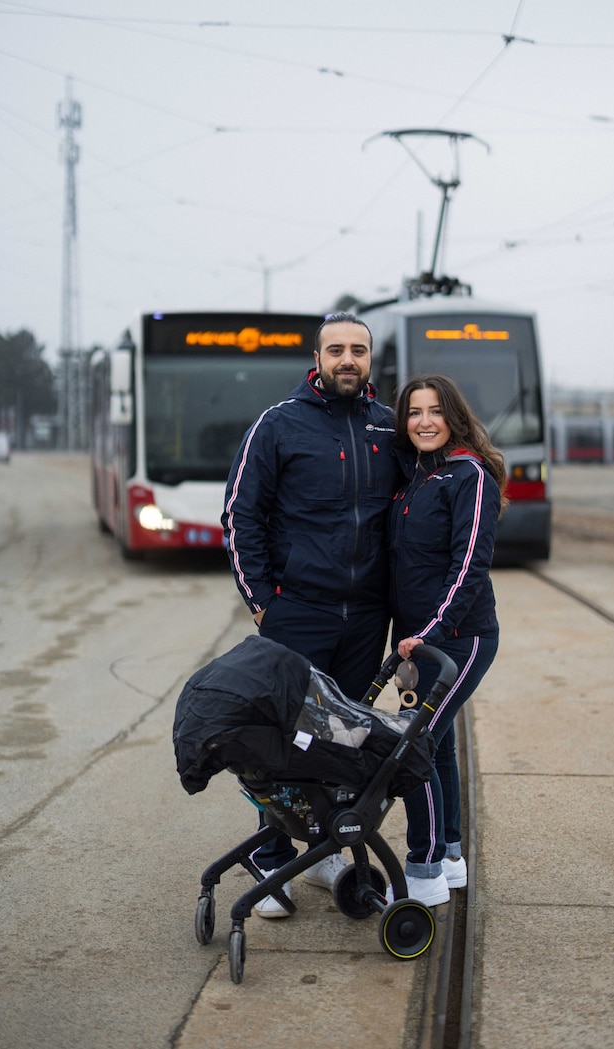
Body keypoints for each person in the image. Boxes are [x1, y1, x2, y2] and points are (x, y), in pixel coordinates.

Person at [221, 312, 400, 916]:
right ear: (317, 358)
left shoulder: (389, 427)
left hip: (365, 618)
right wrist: (264, 605)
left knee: (342, 738)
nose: (348, 360)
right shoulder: (278, 425)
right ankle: (272, 854)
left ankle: (323, 851)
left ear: (371, 360)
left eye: (359, 350)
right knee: (283, 737)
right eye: (336, 350)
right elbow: (240, 517)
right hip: (297, 611)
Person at [387, 374, 507, 907]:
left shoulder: (470, 476)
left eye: (435, 411)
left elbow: (470, 569)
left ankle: (425, 867)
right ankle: (451, 854)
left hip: (460, 638)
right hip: (420, 643)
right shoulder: (417, 477)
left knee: (414, 742)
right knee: (438, 742)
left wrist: (427, 634)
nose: (425, 421)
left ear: (453, 416)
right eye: (414, 412)